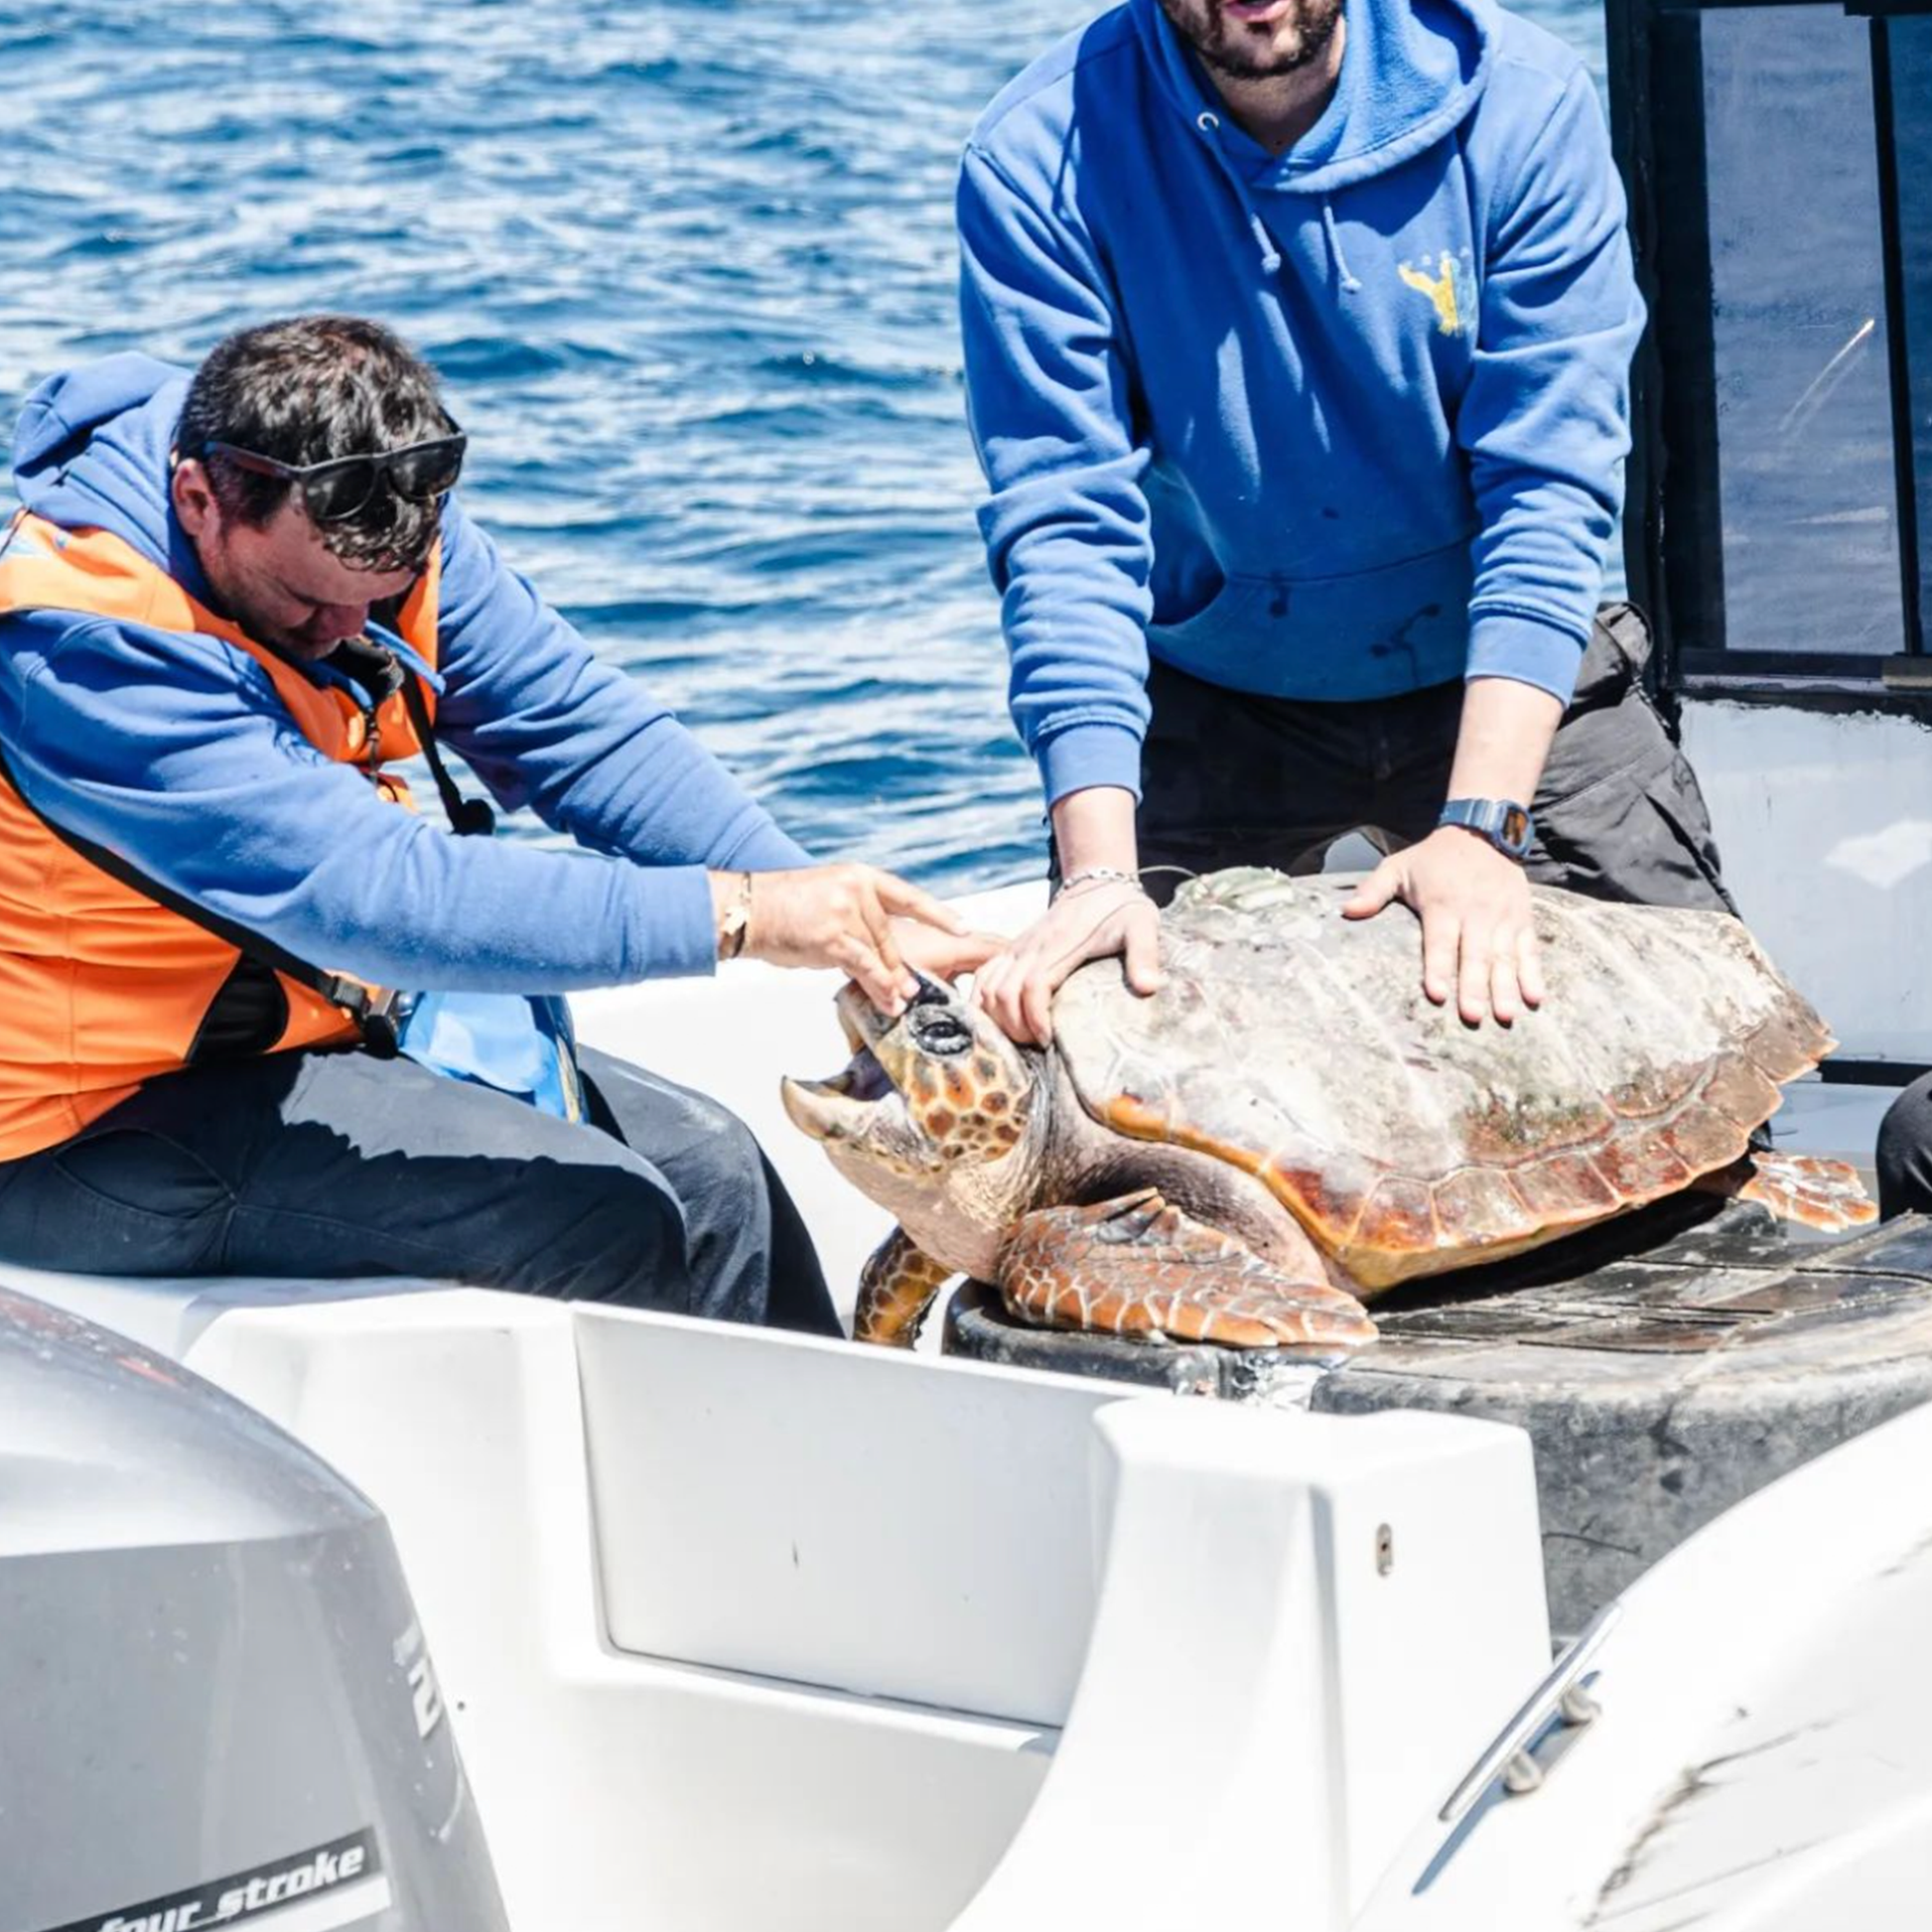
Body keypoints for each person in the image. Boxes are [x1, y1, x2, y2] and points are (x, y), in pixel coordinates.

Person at [0, 314, 992, 1335]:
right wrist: (739, 916)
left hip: (311, 1035)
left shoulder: (375, 512)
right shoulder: (84, 650)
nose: (349, 631)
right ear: (201, 500)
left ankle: (813, 1491)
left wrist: (846, 922)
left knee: (714, 1167)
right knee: (600, 1214)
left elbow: (580, 733)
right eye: (309, 602)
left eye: (381, 599)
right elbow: (370, 897)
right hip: (76, 1130)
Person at [956, 0, 1735, 1046]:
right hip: (1210, 684)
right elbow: (1064, 528)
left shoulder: (1520, 98)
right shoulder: (1036, 153)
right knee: (1110, 1070)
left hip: (1495, 663)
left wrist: (1479, 824)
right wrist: (1096, 873)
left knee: (1702, 1039)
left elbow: (1545, 488)